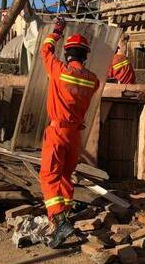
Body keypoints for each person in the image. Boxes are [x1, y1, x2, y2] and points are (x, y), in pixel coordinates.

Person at [39, 17, 100, 248]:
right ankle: (64, 213)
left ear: (67, 54)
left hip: (57, 131)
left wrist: (56, 30)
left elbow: (45, 49)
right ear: (85, 55)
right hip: (75, 134)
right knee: (65, 175)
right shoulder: (92, 80)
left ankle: (59, 219)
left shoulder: (58, 70)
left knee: (49, 176)